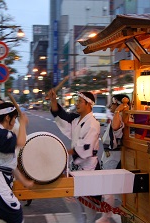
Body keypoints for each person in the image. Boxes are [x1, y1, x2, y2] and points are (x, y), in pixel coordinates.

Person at [47, 89, 100, 223]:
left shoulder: (93, 123)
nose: (76, 104)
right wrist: (54, 100)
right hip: (76, 165)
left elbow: (86, 147)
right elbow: (61, 115)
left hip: (89, 166)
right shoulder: (76, 120)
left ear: (88, 104)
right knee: (68, 194)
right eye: (76, 101)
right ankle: (79, 220)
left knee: (88, 201)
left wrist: (65, 152)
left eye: (79, 102)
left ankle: (90, 220)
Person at [0, 101, 34, 223]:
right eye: (14, 118)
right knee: (15, 215)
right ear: (7, 117)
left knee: (0, 220)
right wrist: (23, 124)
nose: (15, 121)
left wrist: (24, 181)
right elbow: (21, 142)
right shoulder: (1, 134)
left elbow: (9, 164)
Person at [96, 94, 130, 223]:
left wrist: (118, 111)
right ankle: (109, 215)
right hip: (109, 155)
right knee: (111, 189)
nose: (110, 106)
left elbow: (116, 128)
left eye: (113, 103)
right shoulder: (117, 116)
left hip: (114, 156)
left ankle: (107, 216)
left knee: (109, 189)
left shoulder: (120, 116)